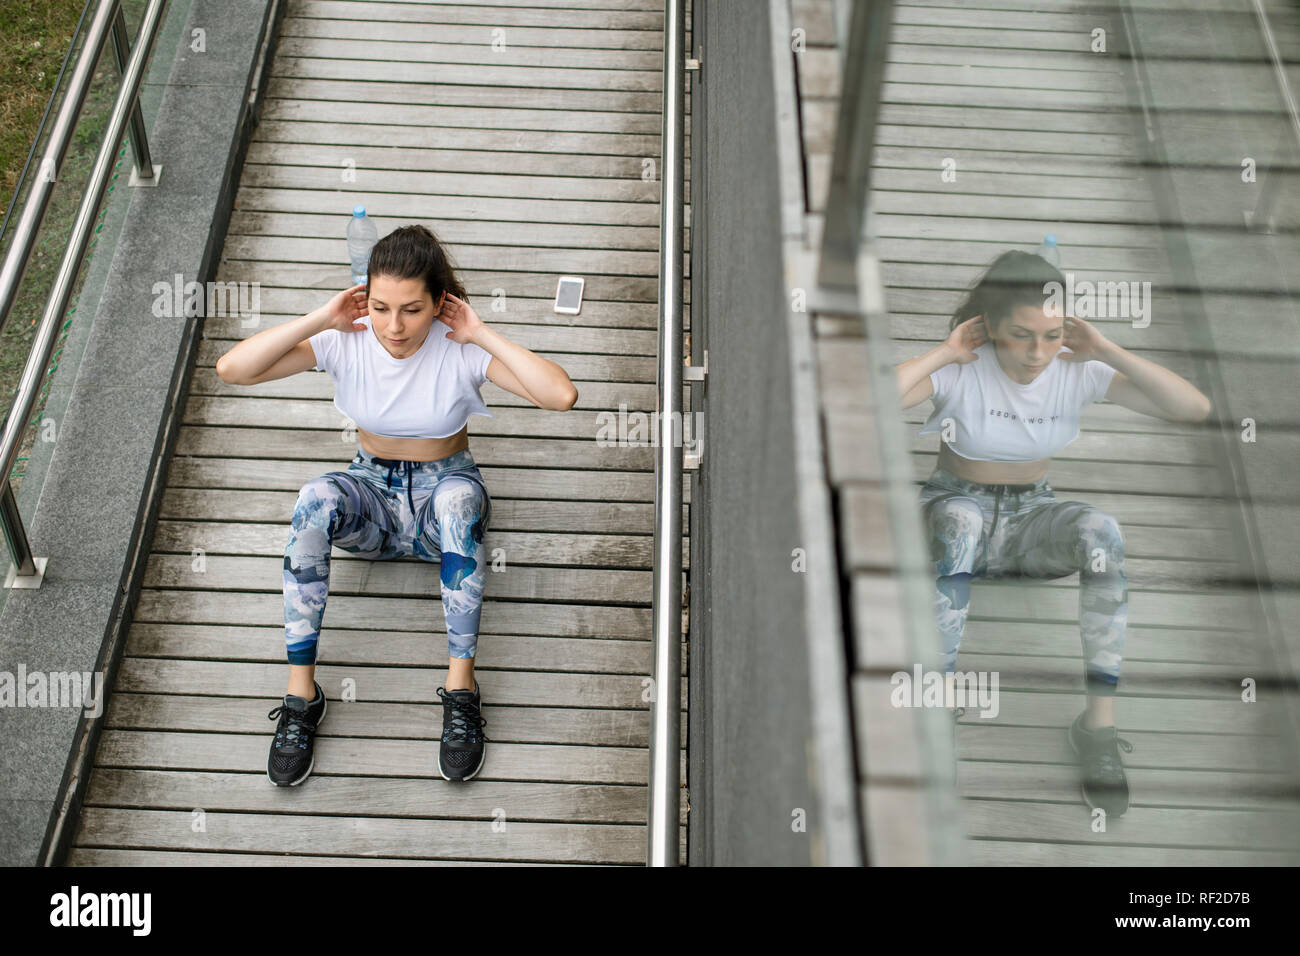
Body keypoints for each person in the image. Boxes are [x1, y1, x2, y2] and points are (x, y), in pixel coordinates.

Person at [215, 224, 578, 787]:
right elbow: (233, 370)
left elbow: (561, 395)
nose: (394, 326)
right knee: (313, 498)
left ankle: (461, 691)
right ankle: (301, 695)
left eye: (412, 309)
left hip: (443, 501)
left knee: (458, 502)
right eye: (381, 307)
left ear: (440, 304)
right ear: (364, 300)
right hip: (373, 507)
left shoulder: (459, 348)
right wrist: (321, 319)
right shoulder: (347, 338)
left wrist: (480, 332)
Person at [895, 250, 1211, 815]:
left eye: (1051, 334)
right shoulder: (962, 367)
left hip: (1029, 525)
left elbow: (1193, 408)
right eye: (1020, 335)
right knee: (961, 521)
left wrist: (1107, 350)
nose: (1038, 353)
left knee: (1101, 531)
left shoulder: (1076, 368)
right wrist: (944, 351)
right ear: (990, 326)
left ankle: (1097, 726)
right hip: (952, 511)